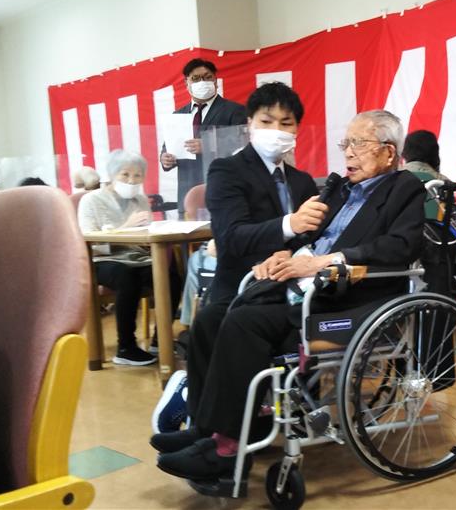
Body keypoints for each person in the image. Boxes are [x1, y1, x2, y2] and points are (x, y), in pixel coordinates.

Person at [151, 110, 425, 488]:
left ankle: (225, 451)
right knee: (212, 317)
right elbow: (311, 237)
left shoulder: (404, 188)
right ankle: (205, 428)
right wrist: (285, 254)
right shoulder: (342, 190)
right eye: (345, 143)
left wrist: (324, 261)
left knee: (244, 323)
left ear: (389, 152)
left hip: (349, 300)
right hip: (305, 287)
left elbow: (400, 246)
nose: (348, 152)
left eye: (358, 144)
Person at [150, 82, 320, 434]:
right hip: (241, 283)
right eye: (267, 121)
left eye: (286, 123)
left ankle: (259, 419)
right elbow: (230, 238)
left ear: (296, 129)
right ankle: (203, 425)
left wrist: (289, 253)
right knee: (211, 322)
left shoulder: (303, 182)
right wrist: (288, 225)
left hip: (290, 286)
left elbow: (315, 239)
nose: (276, 130)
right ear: (249, 124)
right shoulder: (226, 171)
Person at [78, 150, 181, 366]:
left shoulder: (140, 200)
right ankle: (126, 347)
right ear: (112, 174)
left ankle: (160, 340)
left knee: (170, 276)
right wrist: (125, 227)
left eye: (137, 175)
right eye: (125, 174)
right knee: (127, 277)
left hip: (136, 257)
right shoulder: (91, 200)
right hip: (101, 260)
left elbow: (143, 237)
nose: (131, 180)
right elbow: (89, 241)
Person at [160, 58, 247, 215]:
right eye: (195, 78)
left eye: (207, 77)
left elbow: (243, 144)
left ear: (216, 81)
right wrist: (165, 159)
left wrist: (209, 145)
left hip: (223, 191)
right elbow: (168, 148)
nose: (202, 82)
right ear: (186, 83)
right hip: (187, 196)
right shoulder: (177, 115)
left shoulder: (234, 110)